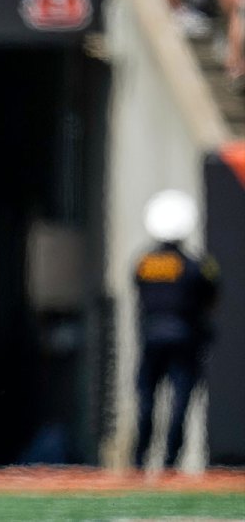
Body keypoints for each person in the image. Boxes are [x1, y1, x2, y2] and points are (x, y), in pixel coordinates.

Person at [133, 189, 219, 471]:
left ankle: (140, 457)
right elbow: (210, 295)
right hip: (185, 338)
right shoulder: (197, 265)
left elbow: (140, 295)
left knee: (147, 398)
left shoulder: (144, 263)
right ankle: (171, 460)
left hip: (151, 337)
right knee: (180, 400)